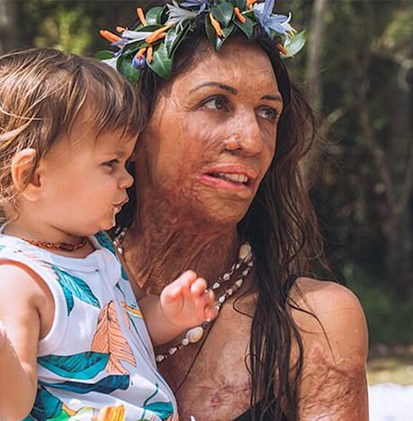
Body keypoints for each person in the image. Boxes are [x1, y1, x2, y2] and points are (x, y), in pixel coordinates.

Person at [100, 1, 369, 420]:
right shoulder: (52, 288)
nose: (252, 141)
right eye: (216, 103)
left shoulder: (314, 322)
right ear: (133, 129)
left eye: (268, 113)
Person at [0, 48, 218, 421]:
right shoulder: (15, 279)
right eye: (110, 164)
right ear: (33, 177)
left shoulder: (95, 248)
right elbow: (9, 405)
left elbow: (122, 333)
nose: (127, 179)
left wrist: (166, 314)